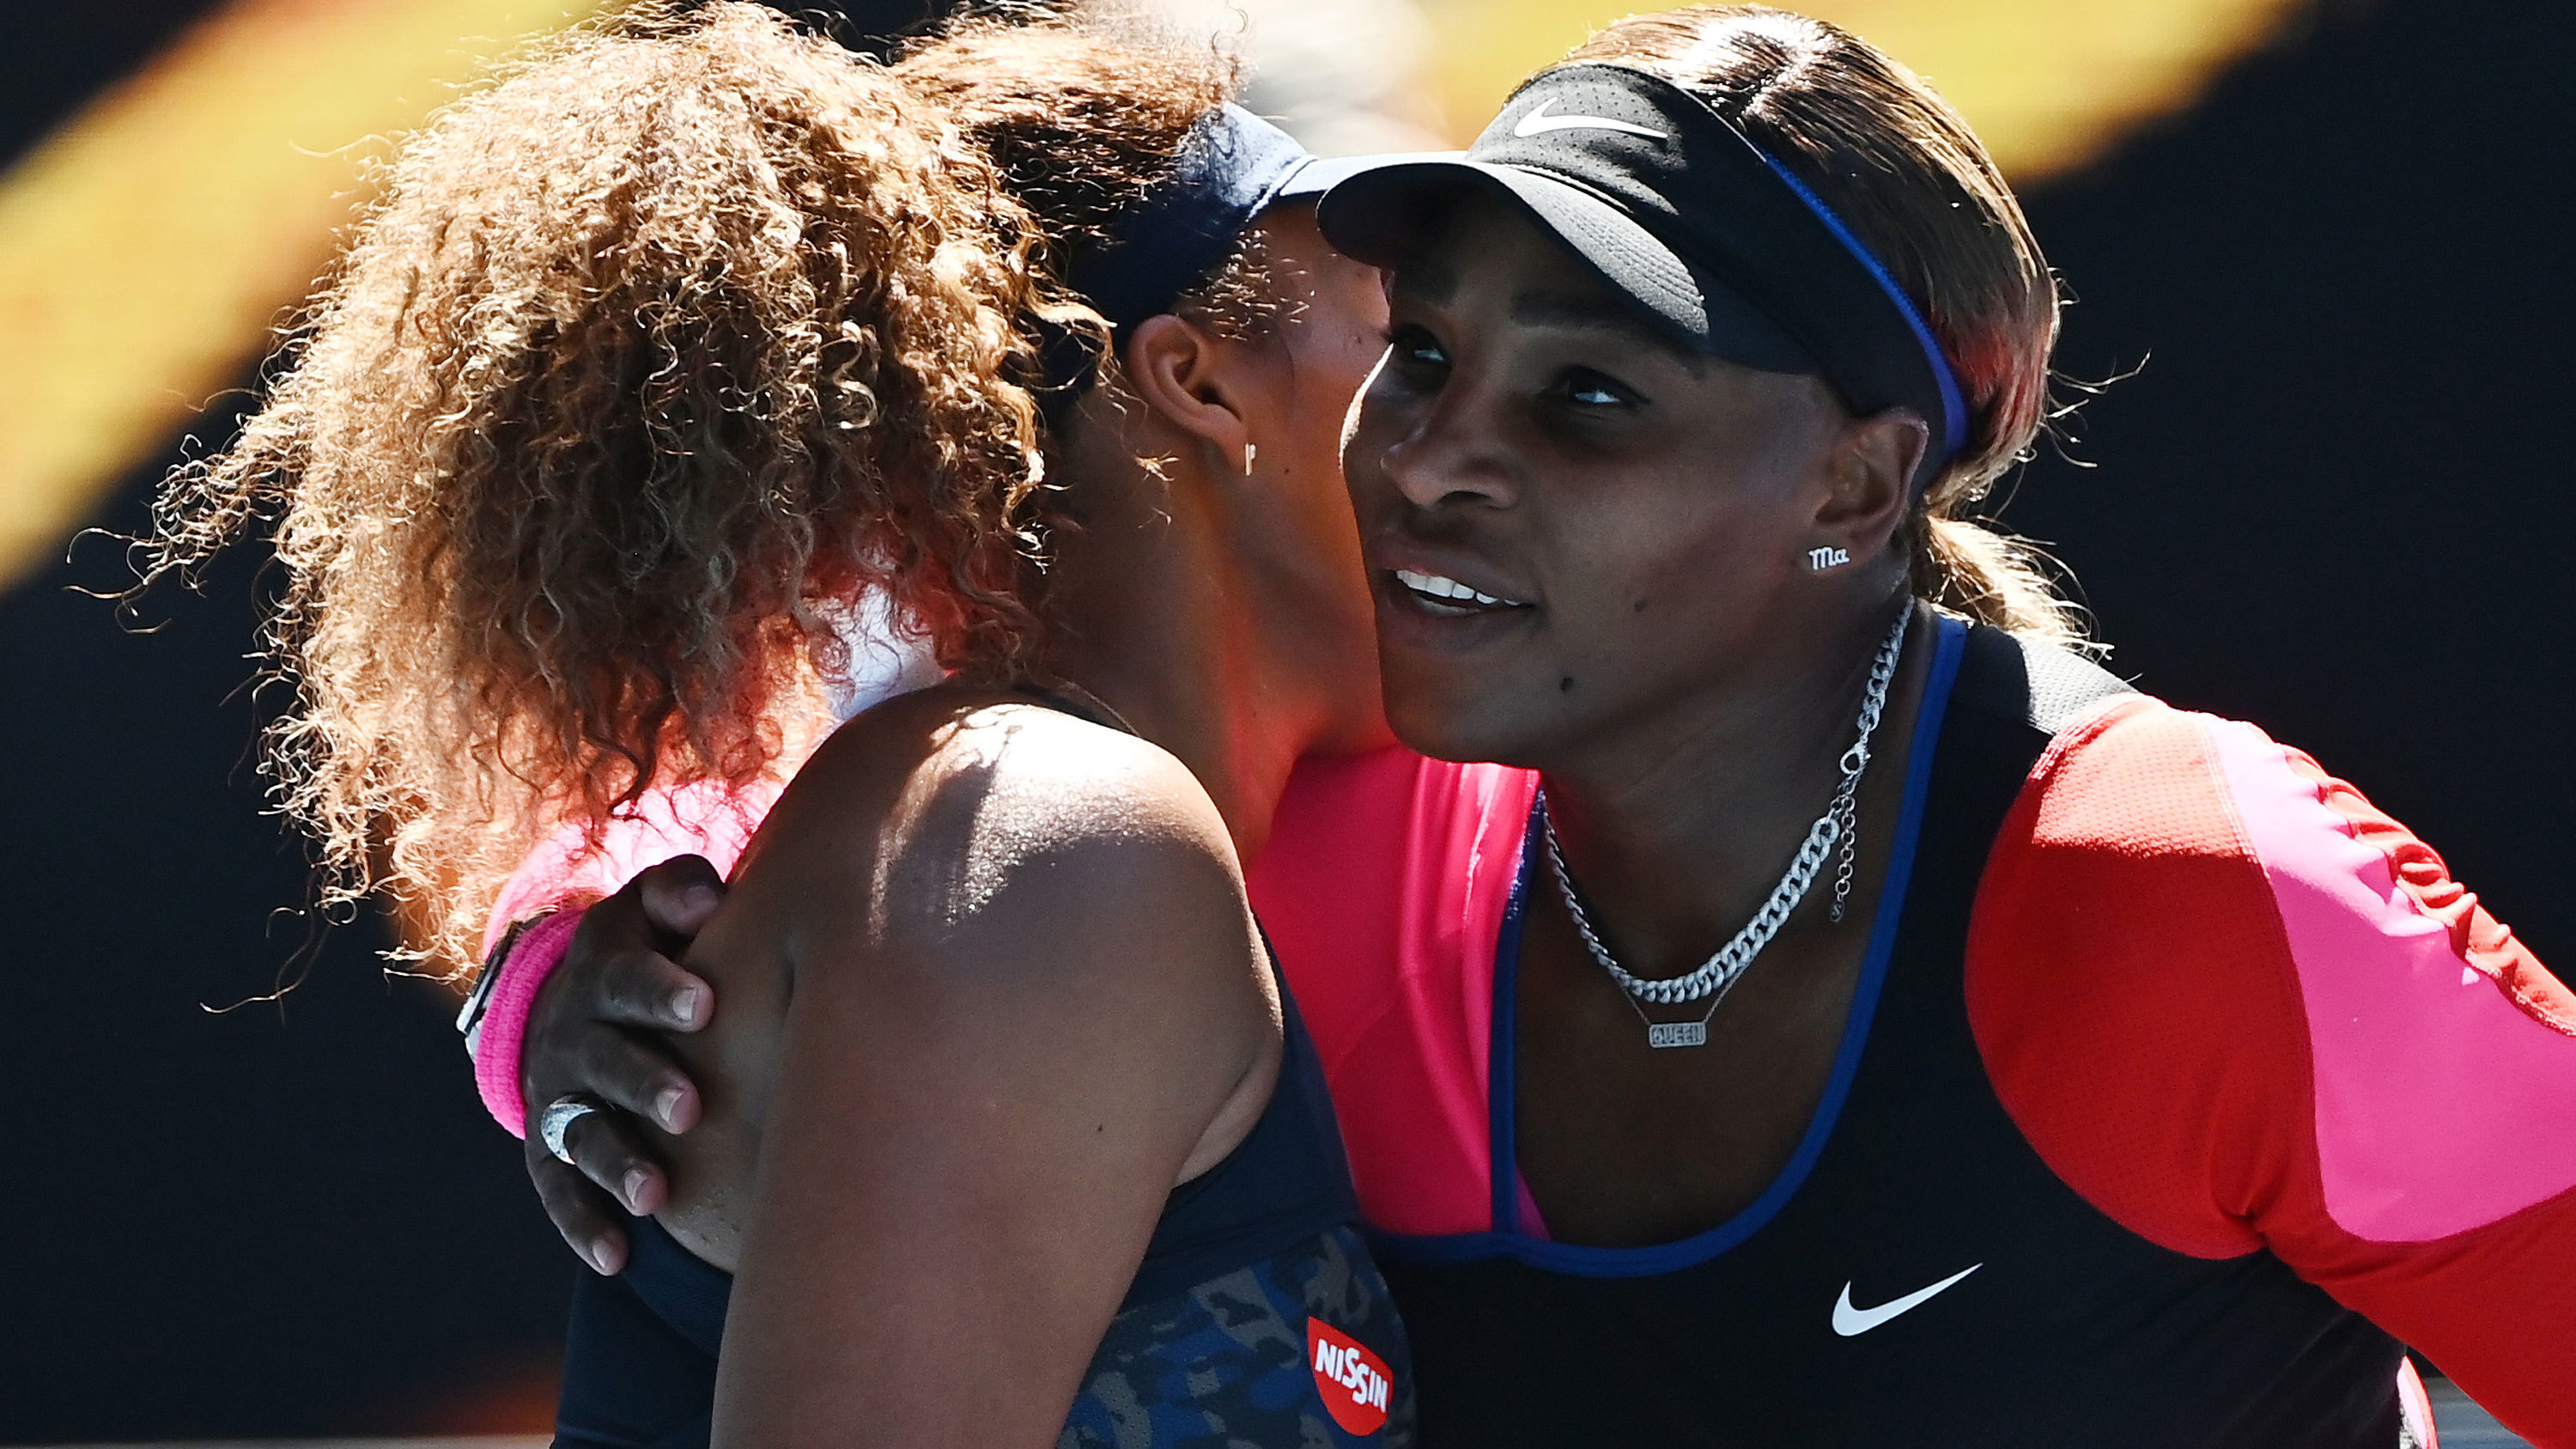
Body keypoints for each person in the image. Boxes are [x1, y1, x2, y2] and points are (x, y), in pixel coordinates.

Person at [477, 6, 2576, 1446]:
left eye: (1585, 397)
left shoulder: (2193, 897)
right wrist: (568, 974)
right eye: (1425, 359)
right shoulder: (1237, 867)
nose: (1431, 460)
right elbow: (895, 877)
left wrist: (560, 984)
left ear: (1854, 487)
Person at [146, 7, 1414, 1446]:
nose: (1463, 424)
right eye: (1406, 342)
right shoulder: (1050, 847)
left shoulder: (1019, 840)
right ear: (1197, 385)